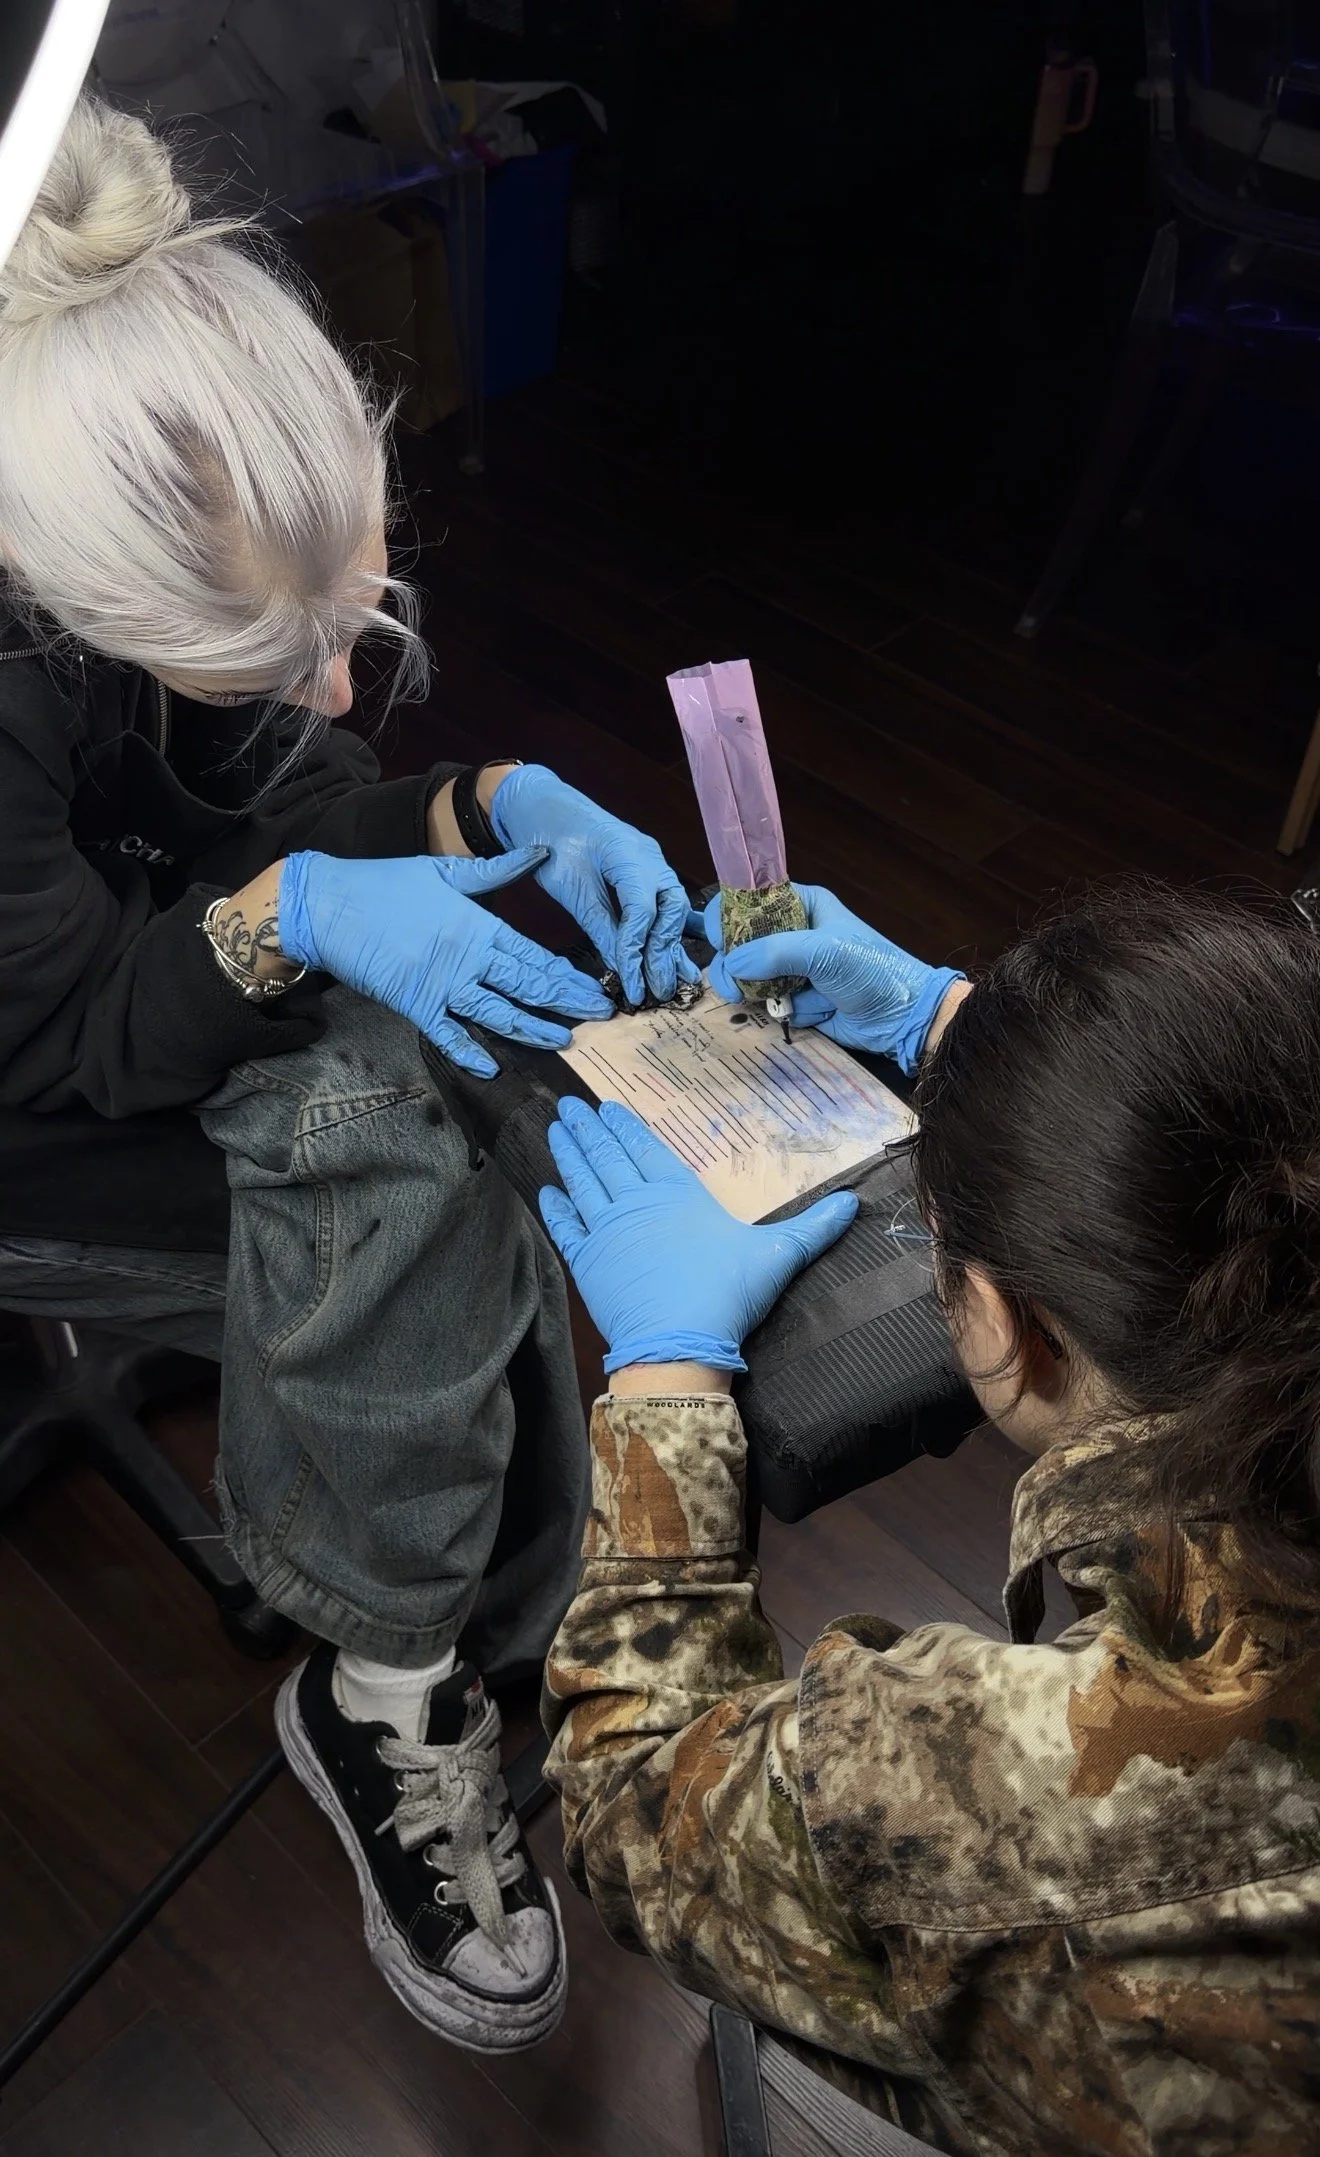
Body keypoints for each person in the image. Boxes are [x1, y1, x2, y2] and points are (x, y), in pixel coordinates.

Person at [0, 95, 700, 2053]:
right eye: (269, 652)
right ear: (60, 594)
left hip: (91, 944)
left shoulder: (120, 374)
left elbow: (265, 796)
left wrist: (477, 801)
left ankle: (462, 1625)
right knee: (402, 1152)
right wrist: (298, 910)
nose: (334, 686)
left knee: (472, 1099)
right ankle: (390, 1674)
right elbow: (61, 1033)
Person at [537, 879, 1320, 2154]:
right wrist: (971, 1036)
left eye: (937, 1238)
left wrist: (663, 1374)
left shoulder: (992, 1772)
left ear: (1016, 1330)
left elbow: (633, 1809)